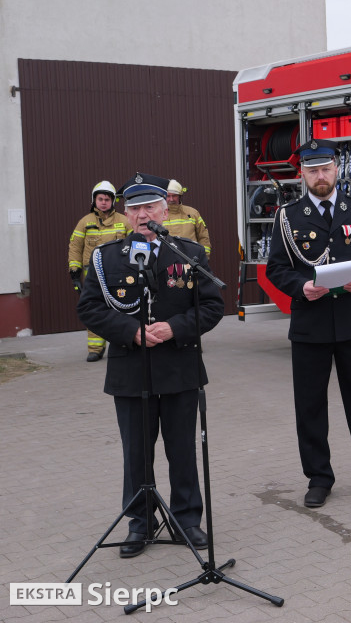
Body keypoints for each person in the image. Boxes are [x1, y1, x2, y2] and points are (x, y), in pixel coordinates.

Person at [77, 173, 223, 557]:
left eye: (150, 207)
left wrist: (174, 327)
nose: (143, 214)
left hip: (179, 367)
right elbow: (89, 308)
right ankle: (140, 523)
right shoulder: (106, 258)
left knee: (181, 450)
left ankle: (187, 519)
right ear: (125, 215)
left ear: (164, 209)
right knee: (136, 453)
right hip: (131, 371)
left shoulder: (189, 255)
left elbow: (212, 306)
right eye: (135, 208)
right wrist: (131, 331)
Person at [266, 139, 351, 508]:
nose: (320, 176)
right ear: (302, 174)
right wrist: (301, 286)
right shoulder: (288, 217)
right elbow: (276, 267)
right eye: (312, 170)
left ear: (336, 169)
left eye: (325, 169)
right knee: (310, 407)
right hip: (311, 325)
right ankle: (319, 478)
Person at [68, 181, 130, 362]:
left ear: (113, 201)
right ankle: (95, 348)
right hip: (92, 275)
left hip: (118, 274)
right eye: (100, 199)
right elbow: (75, 247)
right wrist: (74, 272)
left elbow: (135, 242)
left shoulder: (124, 221)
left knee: (121, 308)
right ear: (94, 200)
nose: (103, 202)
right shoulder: (84, 222)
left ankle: (122, 343)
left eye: (107, 199)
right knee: (95, 309)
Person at [165, 179, 211, 256]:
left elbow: (203, 237)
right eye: (168, 196)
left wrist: (204, 258)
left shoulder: (193, 213)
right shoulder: (159, 215)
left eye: (174, 196)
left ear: (180, 196)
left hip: (191, 260)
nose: (171, 199)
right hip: (167, 262)